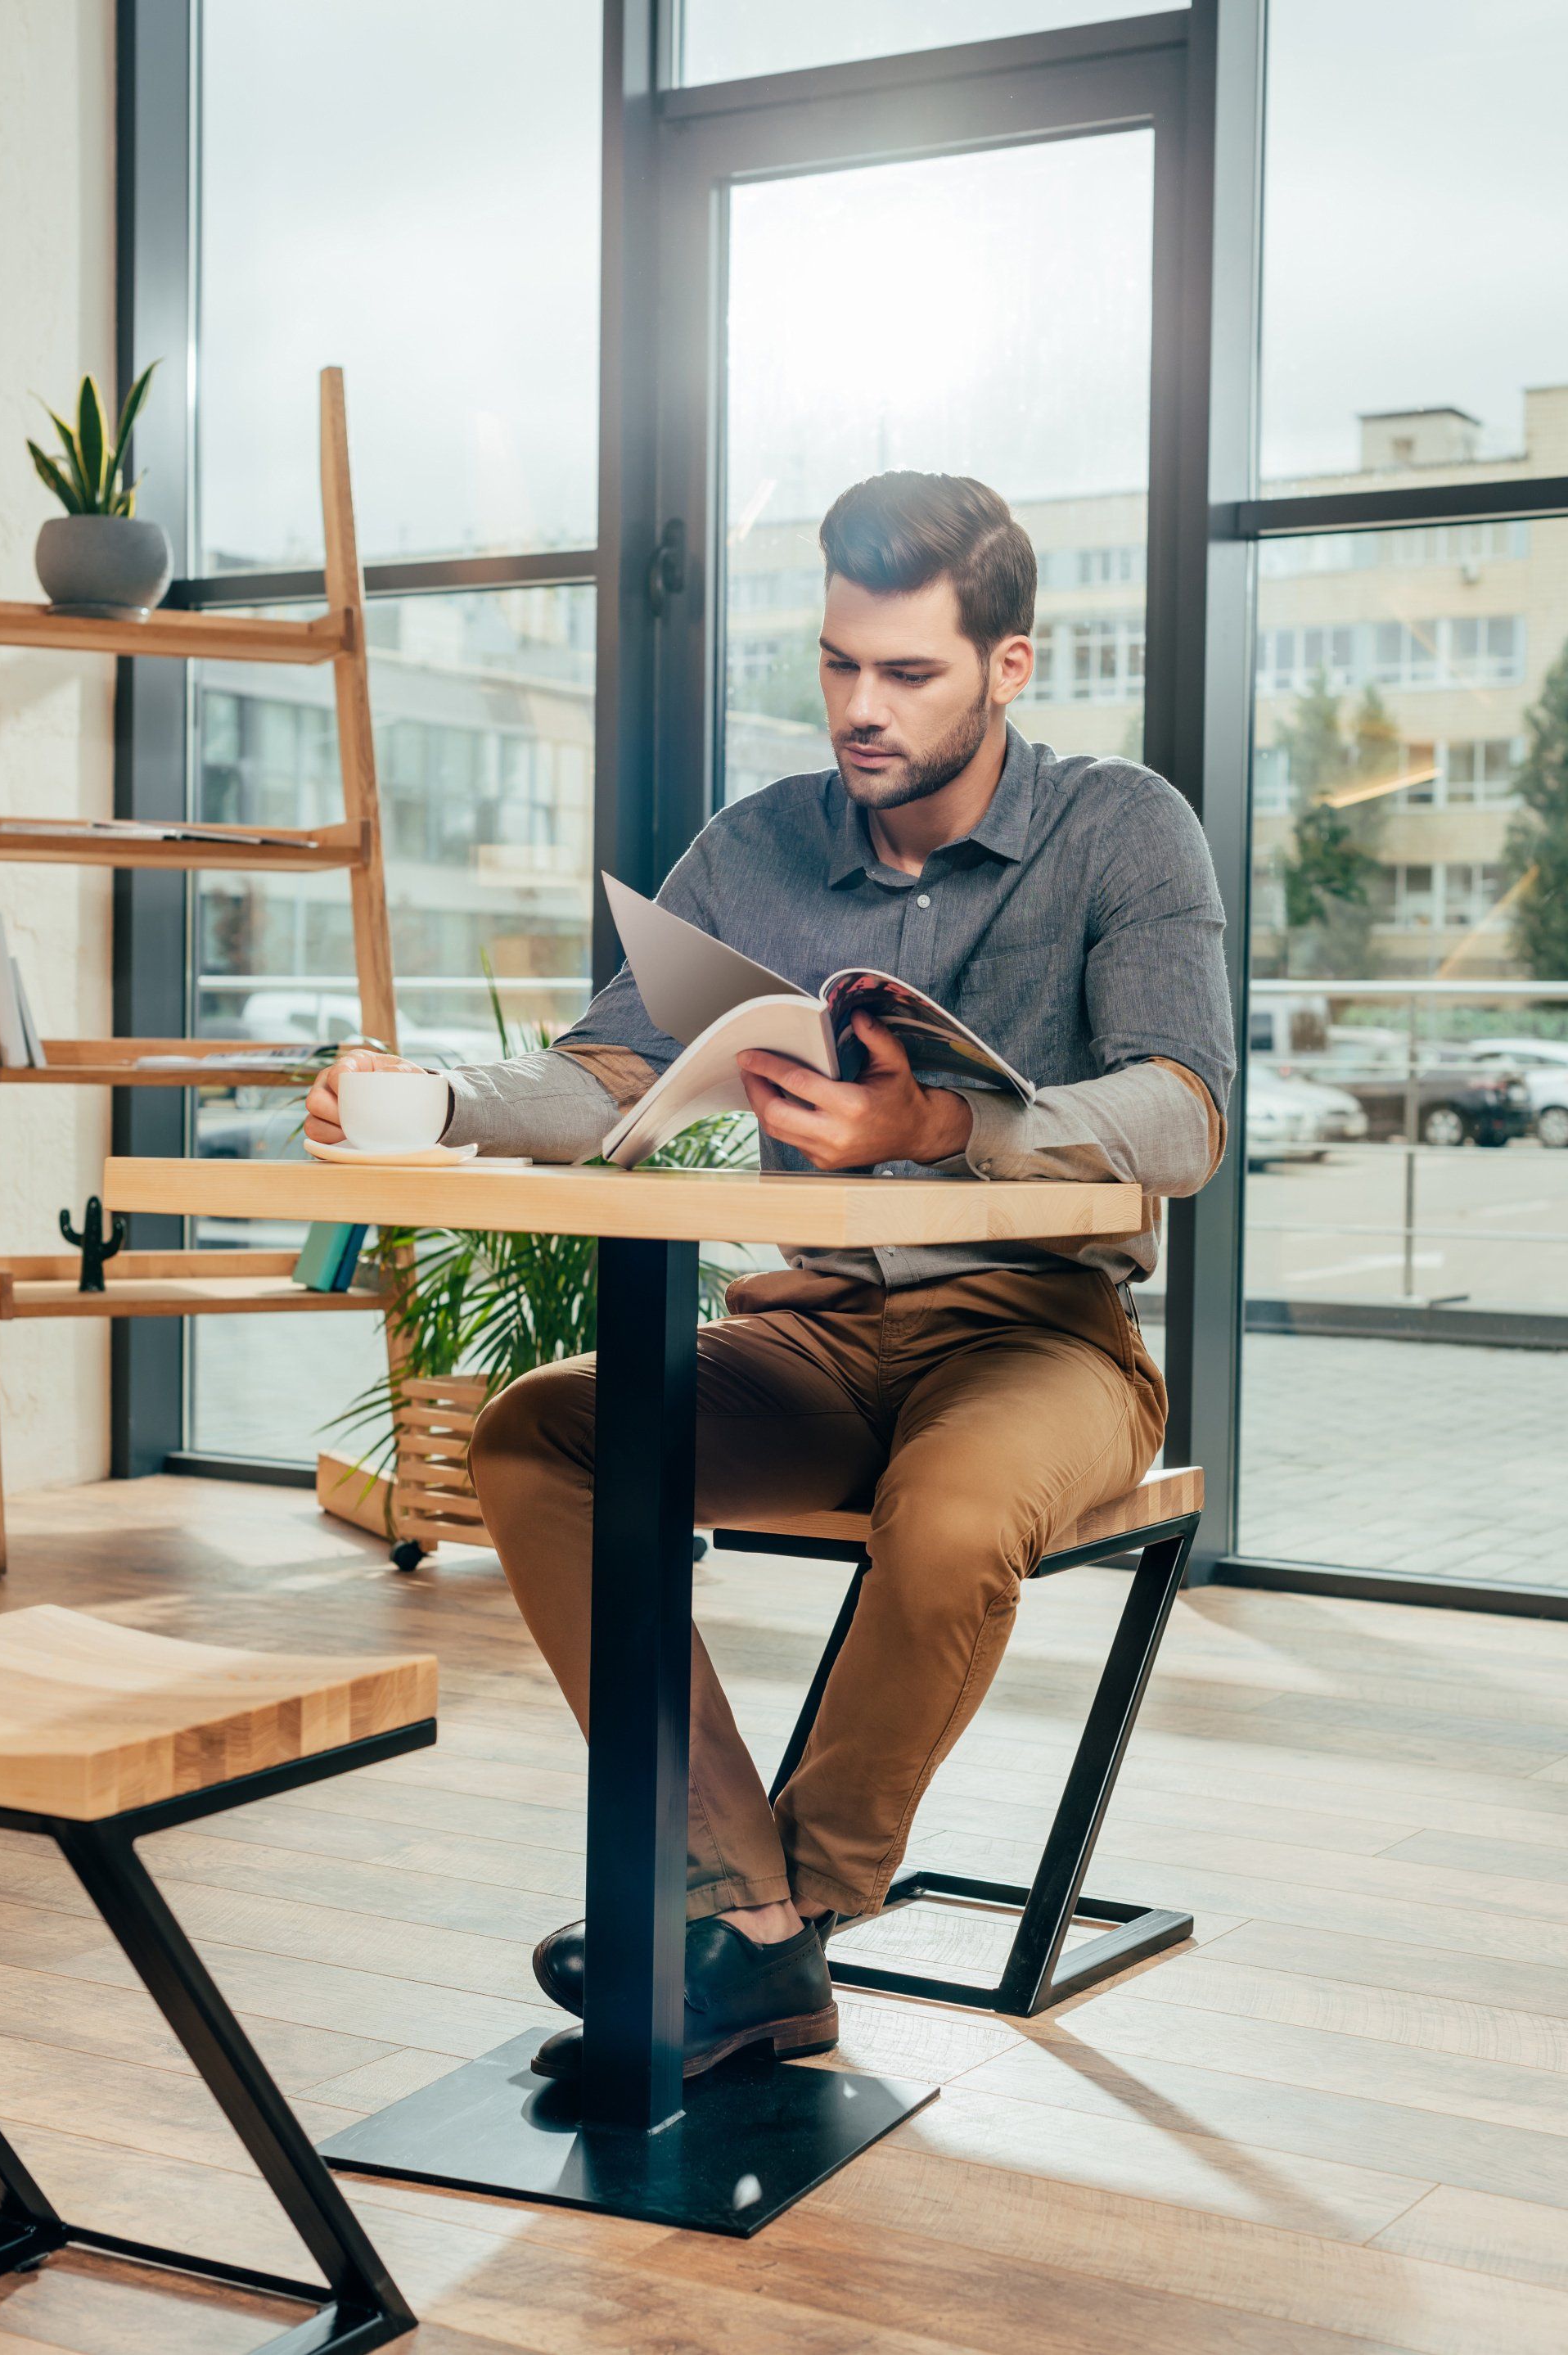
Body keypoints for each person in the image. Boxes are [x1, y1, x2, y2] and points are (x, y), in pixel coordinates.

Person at [305, 471, 1235, 2083]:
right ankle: (748, 1930)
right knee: (540, 1437)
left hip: (1041, 1338)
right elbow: (607, 1071)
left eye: (909, 673)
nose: (861, 711)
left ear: (1008, 666)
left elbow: (1188, 1110)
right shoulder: (756, 848)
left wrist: (947, 1116)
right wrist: (432, 1098)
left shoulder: (1122, 825)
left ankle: (764, 1916)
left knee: (948, 1522)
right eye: (836, 666)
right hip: (811, 1330)